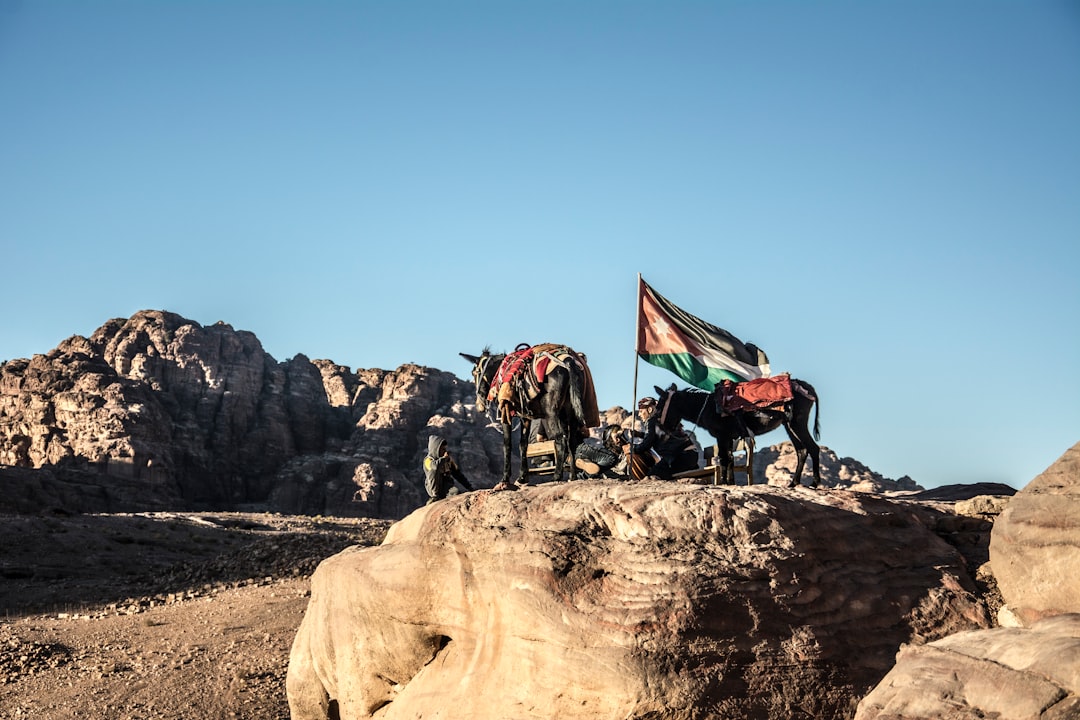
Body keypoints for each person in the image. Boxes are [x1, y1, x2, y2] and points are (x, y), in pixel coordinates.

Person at [629, 397, 699, 480]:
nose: (639, 414)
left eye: (641, 411)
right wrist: (639, 434)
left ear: (650, 410)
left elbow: (647, 443)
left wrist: (634, 449)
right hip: (691, 457)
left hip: (679, 458)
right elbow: (657, 435)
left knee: (652, 477)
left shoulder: (652, 421)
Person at [423, 435, 474, 504]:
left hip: (447, 486)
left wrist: (469, 487)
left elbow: (457, 474)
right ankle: (435, 497)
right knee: (433, 471)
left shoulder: (448, 460)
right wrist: (444, 459)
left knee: (455, 492)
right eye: (442, 449)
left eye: (445, 449)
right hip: (434, 487)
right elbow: (435, 467)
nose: (445, 451)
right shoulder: (428, 460)